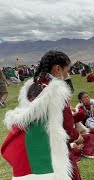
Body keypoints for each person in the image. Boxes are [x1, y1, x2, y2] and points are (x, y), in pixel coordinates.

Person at [1, 50, 83, 179]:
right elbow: (67, 126)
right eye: (67, 70)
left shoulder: (33, 87)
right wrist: (78, 136)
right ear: (58, 69)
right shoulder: (56, 91)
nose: (68, 74)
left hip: (34, 146)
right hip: (53, 146)